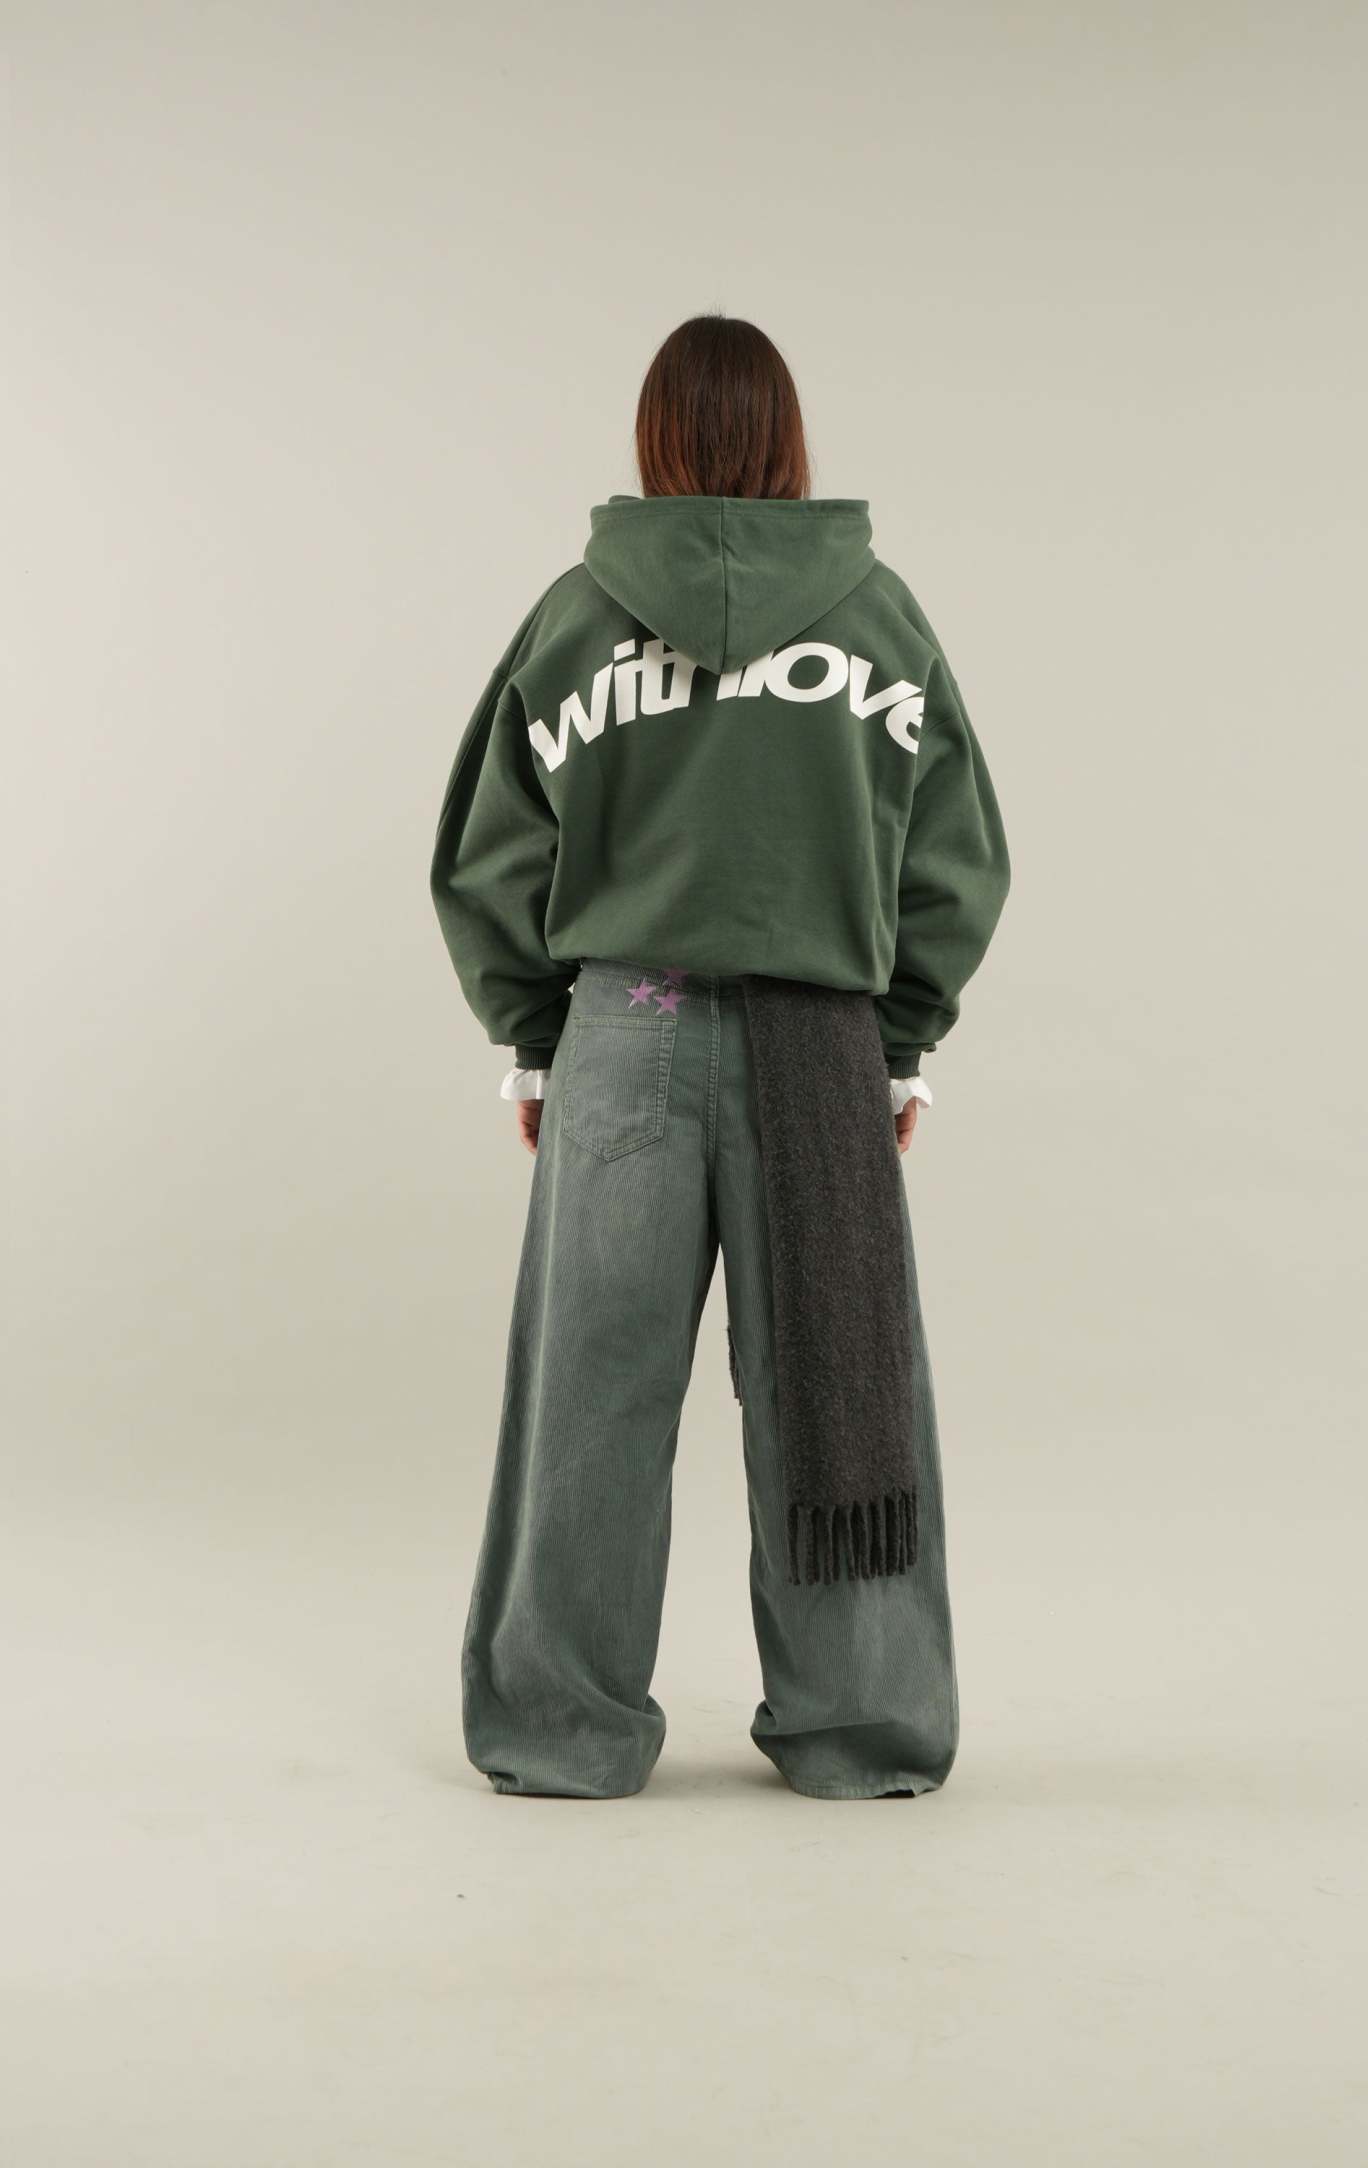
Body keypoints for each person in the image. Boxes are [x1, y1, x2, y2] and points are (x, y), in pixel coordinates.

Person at [430, 314, 1010, 1800]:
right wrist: (900, 1041)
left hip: (623, 1026)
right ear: (786, 437)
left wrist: (534, 1039)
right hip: (821, 1046)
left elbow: (494, 851)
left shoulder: (576, 618)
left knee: (589, 1397)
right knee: (835, 1384)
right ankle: (860, 1729)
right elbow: (949, 854)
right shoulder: (878, 619)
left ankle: (559, 1732)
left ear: (657, 437)